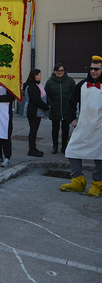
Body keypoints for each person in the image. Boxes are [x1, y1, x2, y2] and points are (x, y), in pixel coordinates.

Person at [59, 55, 102, 197]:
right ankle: (78, 181)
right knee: (72, 150)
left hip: (99, 128)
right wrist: (72, 119)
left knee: (99, 156)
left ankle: (97, 184)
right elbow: (70, 102)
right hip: (83, 126)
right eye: (91, 68)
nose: (93, 71)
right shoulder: (82, 85)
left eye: (96, 69)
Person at [44, 63, 76, 154]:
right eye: (58, 70)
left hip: (66, 110)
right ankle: (55, 146)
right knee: (55, 129)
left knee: (65, 129)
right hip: (55, 109)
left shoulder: (70, 81)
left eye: (62, 70)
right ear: (54, 71)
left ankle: (64, 146)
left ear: (64, 71)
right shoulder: (50, 82)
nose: (60, 72)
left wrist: (71, 105)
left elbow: (74, 94)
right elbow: (47, 95)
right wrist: (51, 104)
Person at [23, 69, 50, 157]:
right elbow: (36, 100)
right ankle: (32, 149)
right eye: (39, 74)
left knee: (34, 131)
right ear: (35, 76)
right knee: (33, 131)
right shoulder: (32, 86)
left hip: (35, 111)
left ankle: (33, 148)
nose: (41, 76)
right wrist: (46, 107)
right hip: (33, 112)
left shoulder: (34, 85)